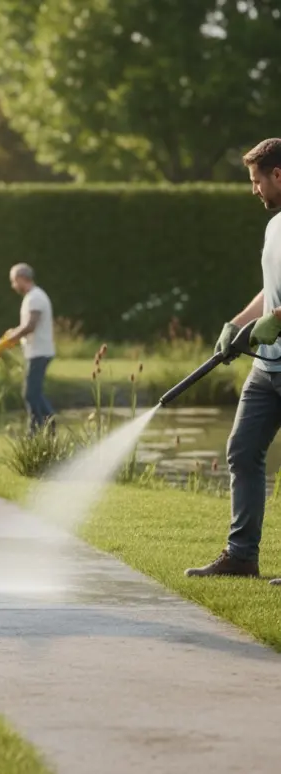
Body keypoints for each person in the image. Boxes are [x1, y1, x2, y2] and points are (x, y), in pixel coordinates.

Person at [186, 137, 281, 581]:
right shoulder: (274, 227)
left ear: (277, 175)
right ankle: (242, 556)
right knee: (242, 451)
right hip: (268, 367)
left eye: (255, 180)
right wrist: (238, 322)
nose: (253, 190)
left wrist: (277, 320)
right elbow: (271, 291)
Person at [0, 263, 56, 434]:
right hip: (36, 352)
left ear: (21, 278)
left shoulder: (35, 297)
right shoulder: (32, 297)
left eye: (14, 281)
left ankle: (36, 430)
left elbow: (29, 326)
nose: (13, 286)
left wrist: (5, 343)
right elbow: (25, 326)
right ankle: (49, 425)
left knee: (30, 393)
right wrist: (10, 335)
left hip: (40, 353)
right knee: (34, 392)